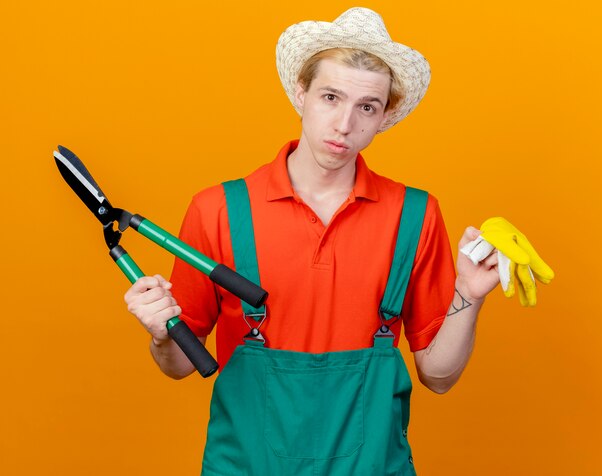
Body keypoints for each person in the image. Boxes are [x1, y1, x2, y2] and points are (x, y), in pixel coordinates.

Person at [125, 7, 504, 475]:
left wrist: (469, 294)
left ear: (383, 116)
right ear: (301, 94)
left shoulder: (415, 215)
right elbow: (179, 365)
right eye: (331, 97)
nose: (345, 124)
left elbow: (439, 377)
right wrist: (162, 333)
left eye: (367, 106)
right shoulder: (219, 210)